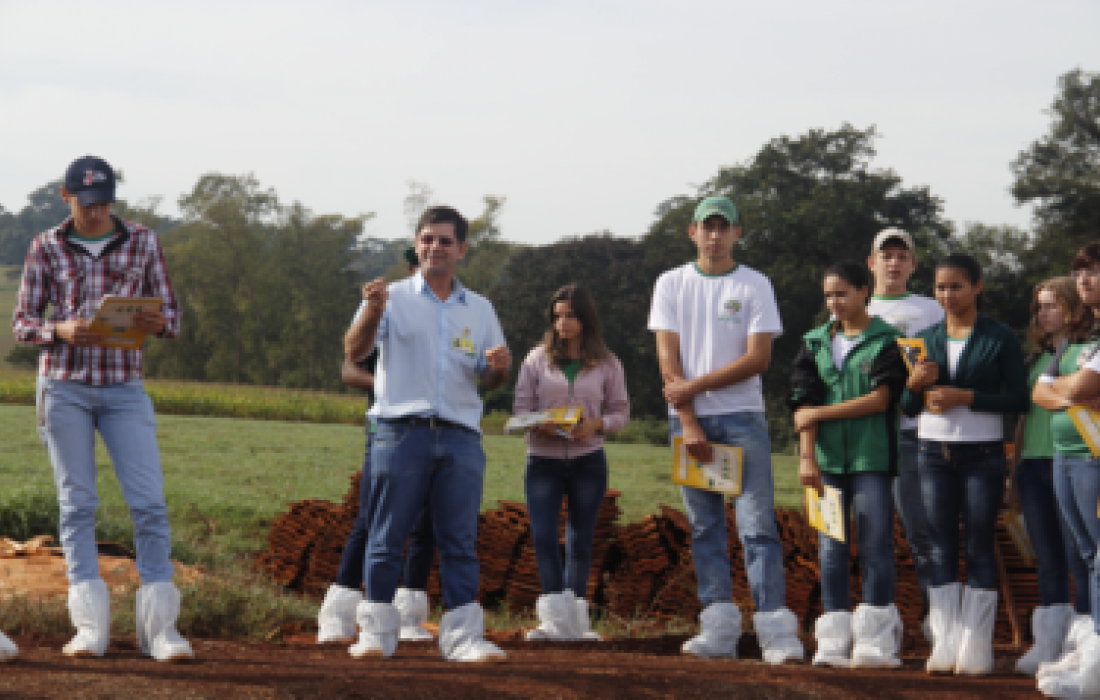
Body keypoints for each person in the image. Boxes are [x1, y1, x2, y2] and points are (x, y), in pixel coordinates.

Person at [11, 156, 192, 662]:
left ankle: (161, 629)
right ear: (66, 197)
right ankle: (90, 628)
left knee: (149, 502)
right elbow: (22, 323)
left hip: (124, 389)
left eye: (105, 203)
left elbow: (172, 314)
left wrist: (159, 323)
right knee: (77, 504)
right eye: (87, 204)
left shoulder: (144, 241)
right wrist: (58, 330)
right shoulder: (45, 246)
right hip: (63, 387)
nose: (96, 213)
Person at [343, 205, 510, 663]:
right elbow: (355, 351)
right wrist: (371, 313)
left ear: (462, 249)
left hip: (460, 436)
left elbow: (490, 378)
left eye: (445, 241)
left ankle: (463, 639)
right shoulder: (389, 298)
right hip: (401, 432)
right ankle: (375, 632)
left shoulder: (480, 309)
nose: (435, 247)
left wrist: (498, 367)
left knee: (460, 541)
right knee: (386, 536)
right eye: (427, 239)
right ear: (417, 245)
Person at [647, 195, 804, 663]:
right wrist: (689, 421)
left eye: (723, 227)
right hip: (689, 421)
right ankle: (718, 627)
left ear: (737, 233)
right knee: (705, 528)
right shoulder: (671, 283)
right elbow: (667, 358)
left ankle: (775, 630)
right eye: (707, 226)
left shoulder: (755, 284)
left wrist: (694, 387)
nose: (714, 235)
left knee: (757, 526)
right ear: (692, 232)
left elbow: (758, 359)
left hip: (742, 418)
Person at [901, 253, 1028, 676]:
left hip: (983, 454)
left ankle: (976, 645)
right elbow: (906, 406)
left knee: (978, 544)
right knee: (939, 545)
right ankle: (946, 641)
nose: (947, 294)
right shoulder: (924, 339)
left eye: (956, 286)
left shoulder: (1000, 336)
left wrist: (966, 397)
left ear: (977, 287)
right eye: (940, 287)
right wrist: (913, 386)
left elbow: (1019, 399)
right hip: (932, 453)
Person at [789, 261, 908, 669]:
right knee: (830, 550)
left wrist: (819, 414)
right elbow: (802, 403)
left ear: (863, 292)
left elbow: (881, 400)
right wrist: (807, 457)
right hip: (826, 464)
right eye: (828, 295)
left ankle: (876, 641)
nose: (834, 302)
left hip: (872, 460)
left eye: (841, 293)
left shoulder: (888, 341)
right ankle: (833, 641)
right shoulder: (813, 342)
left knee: (876, 547)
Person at [317, 247, 437, 644]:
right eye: (420, 263)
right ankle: (339, 610)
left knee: (426, 522)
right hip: (387, 428)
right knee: (373, 516)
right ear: (412, 266)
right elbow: (349, 367)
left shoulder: (447, 318)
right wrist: (388, 384)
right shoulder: (387, 308)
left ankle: (409, 614)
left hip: (435, 430)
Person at [514, 284, 630, 642]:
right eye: (557, 316)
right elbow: (520, 411)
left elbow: (621, 413)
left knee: (581, 539)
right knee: (544, 536)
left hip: (588, 461)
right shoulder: (536, 359)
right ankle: (553, 620)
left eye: (571, 315)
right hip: (542, 461)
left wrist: (597, 424)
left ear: (586, 319)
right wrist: (540, 424)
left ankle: (576, 623)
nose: (563, 323)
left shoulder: (608, 363)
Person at [1010, 277, 1093, 676]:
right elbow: (1025, 417)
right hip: (1033, 465)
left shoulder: (1085, 354)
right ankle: (1048, 642)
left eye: (1052, 305)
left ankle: (1083, 642)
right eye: (1039, 307)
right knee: (1047, 557)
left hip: (1073, 460)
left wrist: (1060, 393)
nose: (1042, 314)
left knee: (1080, 556)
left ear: (1073, 307)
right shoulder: (1035, 359)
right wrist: (1014, 472)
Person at [865, 228, 944, 636]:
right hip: (869, 433)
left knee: (921, 531)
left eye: (902, 256)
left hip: (917, 431)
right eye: (886, 255)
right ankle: (878, 622)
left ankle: (936, 619)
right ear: (871, 263)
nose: (893, 263)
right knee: (873, 535)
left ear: (913, 264)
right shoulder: (857, 306)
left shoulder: (931, 309)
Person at [1031, 243, 1100, 698]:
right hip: (1065, 455)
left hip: (1095, 457)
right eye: (1079, 273)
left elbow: (1082, 385)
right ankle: (1091, 651)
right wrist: (1069, 391)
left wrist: (1067, 389)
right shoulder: (1081, 336)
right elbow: (1041, 393)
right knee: (1088, 557)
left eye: (1093, 271)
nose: (1084, 280)